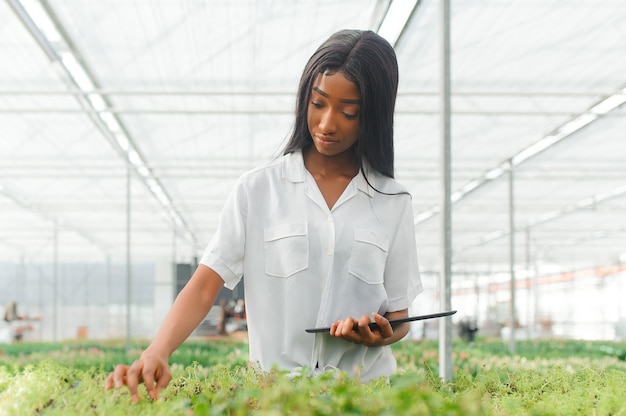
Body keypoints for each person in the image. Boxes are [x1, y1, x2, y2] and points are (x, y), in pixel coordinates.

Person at [105, 29, 422, 402]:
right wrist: (156, 350)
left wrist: (379, 331)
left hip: (365, 398)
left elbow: (399, 315)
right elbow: (206, 283)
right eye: (318, 104)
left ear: (374, 115)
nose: (326, 124)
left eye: (348, 112)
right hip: (276, 398)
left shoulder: (392, 201)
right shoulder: (258, 190)